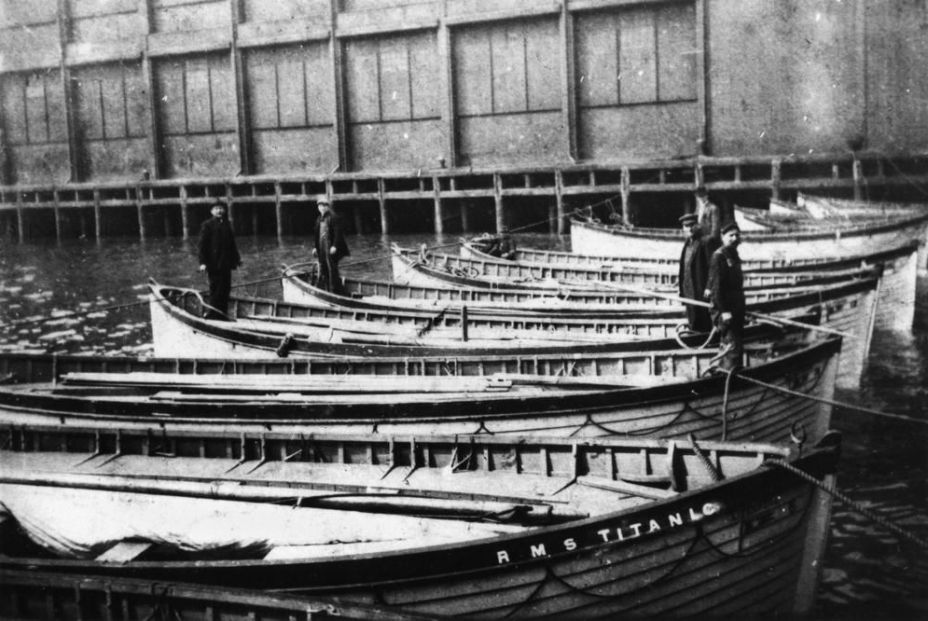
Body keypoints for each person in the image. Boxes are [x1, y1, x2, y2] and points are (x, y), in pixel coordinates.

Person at [707, 222, 745, 371]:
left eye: (737, 235)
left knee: (736, 344)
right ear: (723, 237)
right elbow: (717, 288)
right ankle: (728, 377)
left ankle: (731, 371)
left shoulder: (734, 255)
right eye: (731, 236)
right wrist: (724, 311)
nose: (735, 238)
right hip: (726, 310)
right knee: (732, 346)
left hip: (736, 308)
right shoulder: (719, 256)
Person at [197, 201, 241, 319]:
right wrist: (202, 263)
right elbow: (202, 246)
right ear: (212, 211)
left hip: (226, 264)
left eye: (221, 208)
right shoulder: (207, 225)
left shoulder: (227, 224)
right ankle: (213, 314)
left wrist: (236, 260)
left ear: (225, 210)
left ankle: (223, 314)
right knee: (215, 289)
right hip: (213, 264)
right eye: (216, 208)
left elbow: (232, 245)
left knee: (225, 290)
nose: (219, 211)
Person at [677, 213, 713, 332]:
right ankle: (694, 335)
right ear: (683, 228)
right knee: (691, 315)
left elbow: (712, 267)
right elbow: (684, 267)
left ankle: (705, 339)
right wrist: (680, 286)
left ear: (697, 226)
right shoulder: (686, 244)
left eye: (692, 225)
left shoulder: (704, 243)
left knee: (703, 316)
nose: (690, 229)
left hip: (700, 288)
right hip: (688, 288)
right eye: (686, 226)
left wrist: (708, 287)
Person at [312, 195, 349, 294]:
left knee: (332, 270)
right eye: (320, 205)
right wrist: (315, 248)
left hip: (331, 249)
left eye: (324, 205)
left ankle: (335, 292)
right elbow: (316, 235)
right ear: (318, 207)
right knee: (324, 269)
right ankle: (327, 289)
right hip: (322, 248)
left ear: (328, 207)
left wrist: (335, 246)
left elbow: (338, 234)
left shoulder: (333, 217)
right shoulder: (318, 219)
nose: (322, 207)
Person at [695, 186, 722, 254]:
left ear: (707, 196)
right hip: (699, 240)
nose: (701, 199)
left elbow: (715, 228)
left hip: (709, 241)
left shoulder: (713, 208)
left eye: (703, 196)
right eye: (699, 197)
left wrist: (709, 239)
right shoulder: (698, 209)